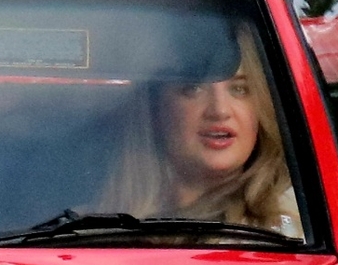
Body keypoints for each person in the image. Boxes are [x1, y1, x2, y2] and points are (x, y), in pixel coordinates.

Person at [99, 24, 303, 237]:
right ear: (155, 109)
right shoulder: (85, 228)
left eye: (240, 89)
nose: (219, 110)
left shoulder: (296, 231)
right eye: (194, 89)